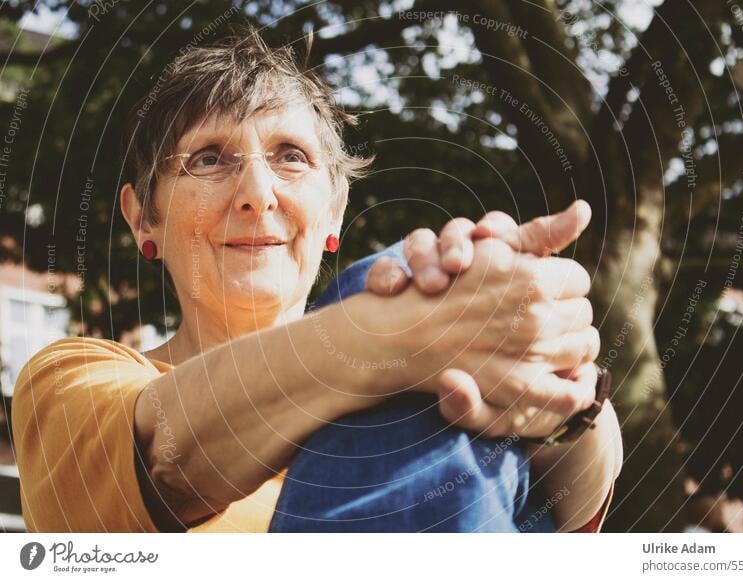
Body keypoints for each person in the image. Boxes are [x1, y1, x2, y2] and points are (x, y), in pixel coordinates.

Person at [12, 31, 621, 533]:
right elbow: (170, 461)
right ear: (144, 216)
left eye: (290, 156)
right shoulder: (68, 379)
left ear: (334, 209)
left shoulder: (433, 343)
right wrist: (404, 331)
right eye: (207, 159)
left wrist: (553, 382)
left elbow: (567, 507)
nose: (256, 195)